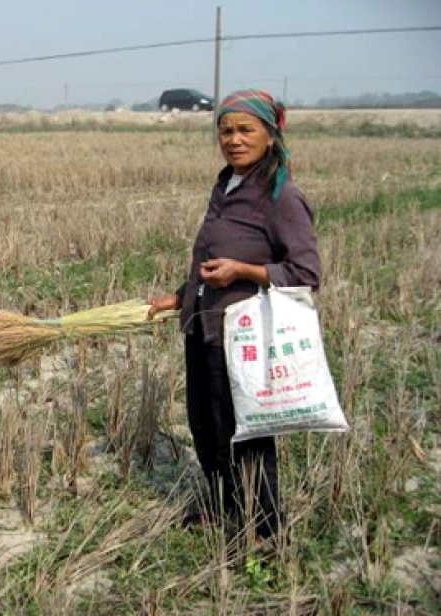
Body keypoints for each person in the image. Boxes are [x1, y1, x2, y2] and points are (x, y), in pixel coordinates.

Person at [148, 90, 321, 544]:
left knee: (244, 435)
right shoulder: (225, 186)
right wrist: (179, 296)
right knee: (205, 425)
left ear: (270, 134)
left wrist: (244, 271)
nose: (234, 139)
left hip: (243, 334)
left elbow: (306, 273)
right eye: (226, 130)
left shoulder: (281, 198)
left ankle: (265, 534)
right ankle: (223, 507)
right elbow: (212, 258)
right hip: (203, 327)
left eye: (246, 130)